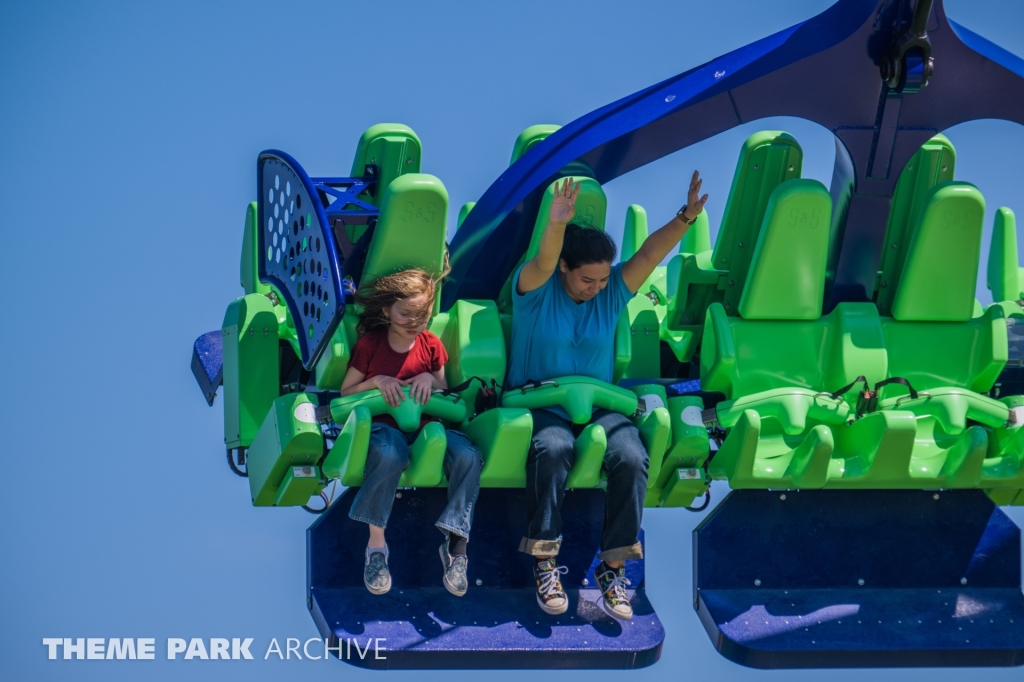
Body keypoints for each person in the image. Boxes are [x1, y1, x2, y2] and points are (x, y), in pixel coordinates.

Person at [510, 172, 709, 620]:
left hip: (599, 408)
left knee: (631, 456)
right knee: (554, 446)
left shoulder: (610, 293)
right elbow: (543, 260)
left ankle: (613, 567)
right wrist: (557, 224)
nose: (596, 288)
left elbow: (649, 254)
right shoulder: (536, 291)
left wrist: (686, 217)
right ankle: (546, 562)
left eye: (602, 280)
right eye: (587, 280)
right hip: (541, 406)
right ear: (565, 267)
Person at [340, 268, 484, 598]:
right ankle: (376, 548)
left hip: (428, 427)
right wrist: (377, 381)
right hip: (386, 428)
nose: (414, 322)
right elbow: (346, 394)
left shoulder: (431, 345)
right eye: (405, 313)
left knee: (467, 455)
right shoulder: (371, 345)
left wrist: (430, 381)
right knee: (389, 453)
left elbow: (446, 391)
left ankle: (456, 547)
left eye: (421, 315)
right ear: (387, 310)